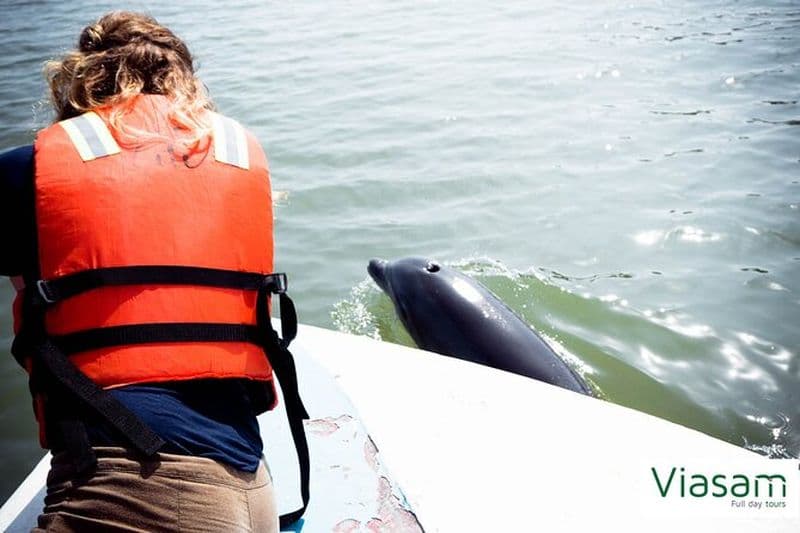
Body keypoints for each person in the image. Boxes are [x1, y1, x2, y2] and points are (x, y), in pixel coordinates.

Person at [0, 11, 308, 532]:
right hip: (250, 486)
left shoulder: (29, 170)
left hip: (133, 487)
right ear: (184, 82)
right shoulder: (236, 160)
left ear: (79, 81)